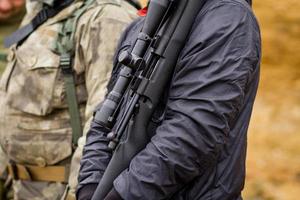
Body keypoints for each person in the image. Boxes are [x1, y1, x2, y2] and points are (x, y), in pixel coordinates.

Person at [77, 0, 261, 199]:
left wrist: (122, 195)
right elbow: (105, 118)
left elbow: (192, 132)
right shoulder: (141, 25)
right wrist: (90, 187)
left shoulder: (227, 17)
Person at [0, 0, 139, 199]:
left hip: (61, 191)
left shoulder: (106, 17)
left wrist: (77, 193)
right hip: (20, 188)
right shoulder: (46, 9)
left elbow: (106, 125)